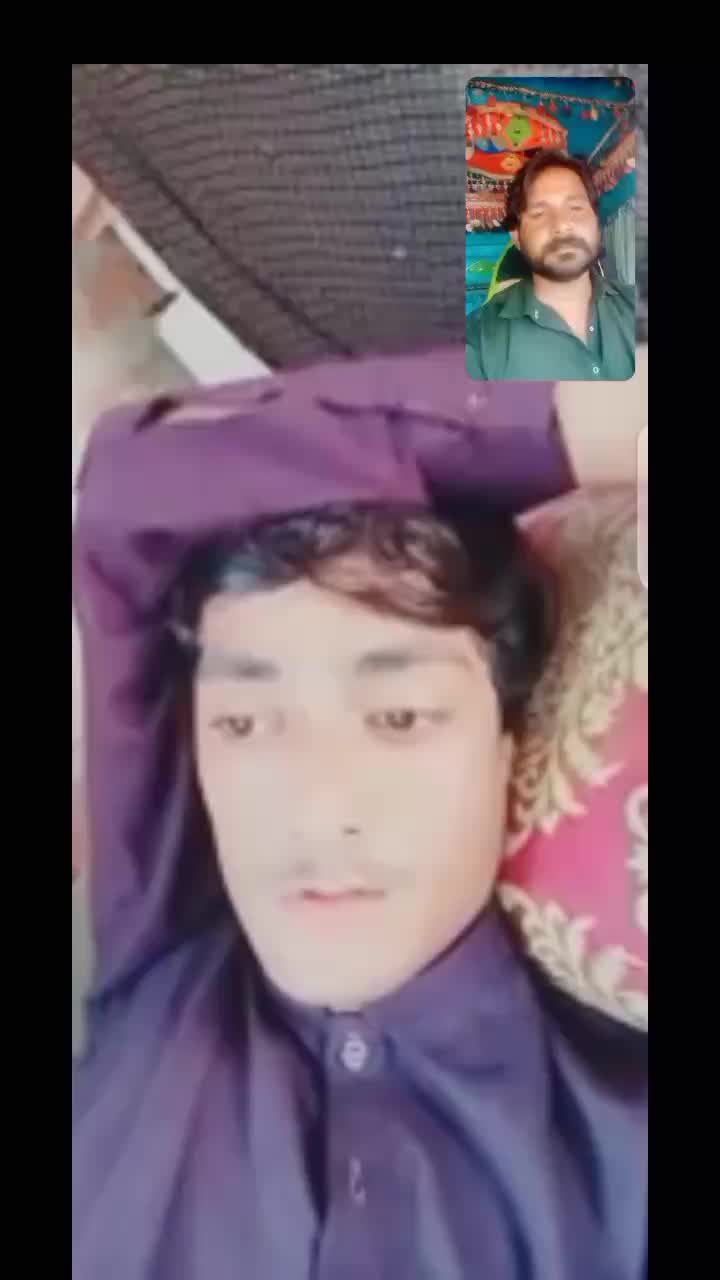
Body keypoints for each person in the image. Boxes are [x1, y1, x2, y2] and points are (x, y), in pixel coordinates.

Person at [72, 349, 647, 1279]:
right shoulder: (172, 958)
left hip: (436, 362)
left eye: (400, 717)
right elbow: (138, 486)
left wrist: (586, 412)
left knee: (546, 302)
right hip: (452, 369)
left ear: (510, 750)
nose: (317, 808)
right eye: (244, 723)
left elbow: (128, 488)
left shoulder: (625, 1141)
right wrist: (601, 415)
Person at [466, 149, 636, 382]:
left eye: (575, 208)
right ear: (516, 236)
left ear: (596, 222)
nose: (562, 224)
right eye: (540, 213)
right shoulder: (478, 342)